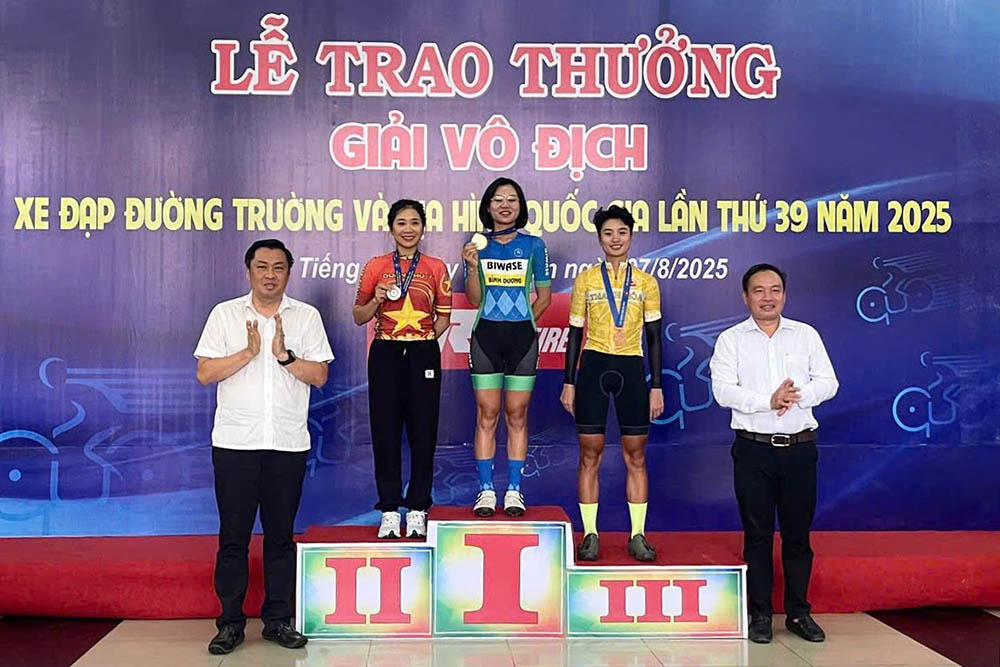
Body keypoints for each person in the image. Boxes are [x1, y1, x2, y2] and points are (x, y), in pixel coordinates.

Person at [195, 239, 333, 655]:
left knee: (279, 537)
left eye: (278, 267)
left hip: (286, 444)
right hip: (236, 443)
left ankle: (277, 620)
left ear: (289, 272)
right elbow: (205, 373)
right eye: (261, 267)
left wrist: (285, 358)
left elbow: (321, 376)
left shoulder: (306, 317)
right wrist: (250, 352)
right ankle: (230, 624)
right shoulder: (225, 314)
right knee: (233, 537)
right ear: (249, 271)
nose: (269, 274)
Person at [709, 263, 838, 644]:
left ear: (785, 294)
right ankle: (760, 614)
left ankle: (799, 613)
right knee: (758, 534)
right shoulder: (731, 339)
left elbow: (829, 381)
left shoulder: (806, 336)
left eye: (775, 289)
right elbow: (723, 391)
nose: (768, 297)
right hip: (753, 450)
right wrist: (767, 401)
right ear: (745, 296)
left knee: (798, 536)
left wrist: (798, 395)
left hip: (799, 449)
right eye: (759, 290)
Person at [560, 205, 664, 562]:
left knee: (636, 454)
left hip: (633, 369)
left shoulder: (647, 283)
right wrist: (569, 382)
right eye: (608, 233)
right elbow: (575, 334)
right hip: (593, 366)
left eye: (622, 232)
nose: (615, 239)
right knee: (590, 453)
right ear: (599, 238)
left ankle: (638, 534)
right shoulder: (586, 279)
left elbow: (654, 338)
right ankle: (590, 534)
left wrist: (657, 385)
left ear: (631, 237)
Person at [354, 199, 452, 539]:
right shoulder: (375, 267)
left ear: (423, 228)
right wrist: (377, 300)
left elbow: (444, 318)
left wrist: (421, 340)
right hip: (384, 354)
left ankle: (418, 508)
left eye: (414, 222)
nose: (408, 229)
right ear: (391, 228)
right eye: (401, 223)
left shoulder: (437, 267)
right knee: (386, 433)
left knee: (423, 432)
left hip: (424, 353)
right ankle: (390, 510)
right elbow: (358, 316)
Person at [460, 177, 551, 516]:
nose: (505, 205)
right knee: (487, 414)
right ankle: (486, 491)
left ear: (520, 206)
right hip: (486, 336)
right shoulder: (478, 246)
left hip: (522, 340)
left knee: (517, 414)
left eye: (512, 199)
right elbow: (474, 299)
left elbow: (543, 297)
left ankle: (514, 489)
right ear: (488, 207)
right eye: (498, 200)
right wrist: (471, 267)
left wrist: (524, 322)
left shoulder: (534, 246)